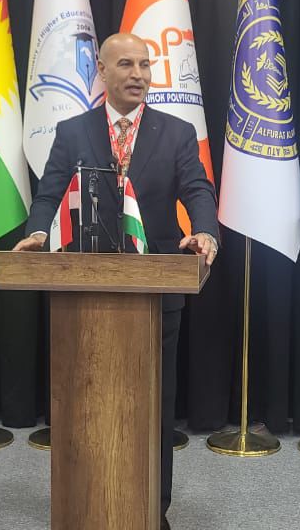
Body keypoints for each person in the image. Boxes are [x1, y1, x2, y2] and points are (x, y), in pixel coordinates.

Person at [13, 32, 218, 530]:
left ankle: (151, 510)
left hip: (157, 292)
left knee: (153, 408)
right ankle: (86, 504)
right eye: (126, 64)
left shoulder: (176, 133)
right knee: (87, 404)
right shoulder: (73, 132)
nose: (138, 74)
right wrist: (38, 232)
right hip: (86, 293)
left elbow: (197, 190)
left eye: (145, 65)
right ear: (102, 72)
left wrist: (205, 233)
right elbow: (49, 194)